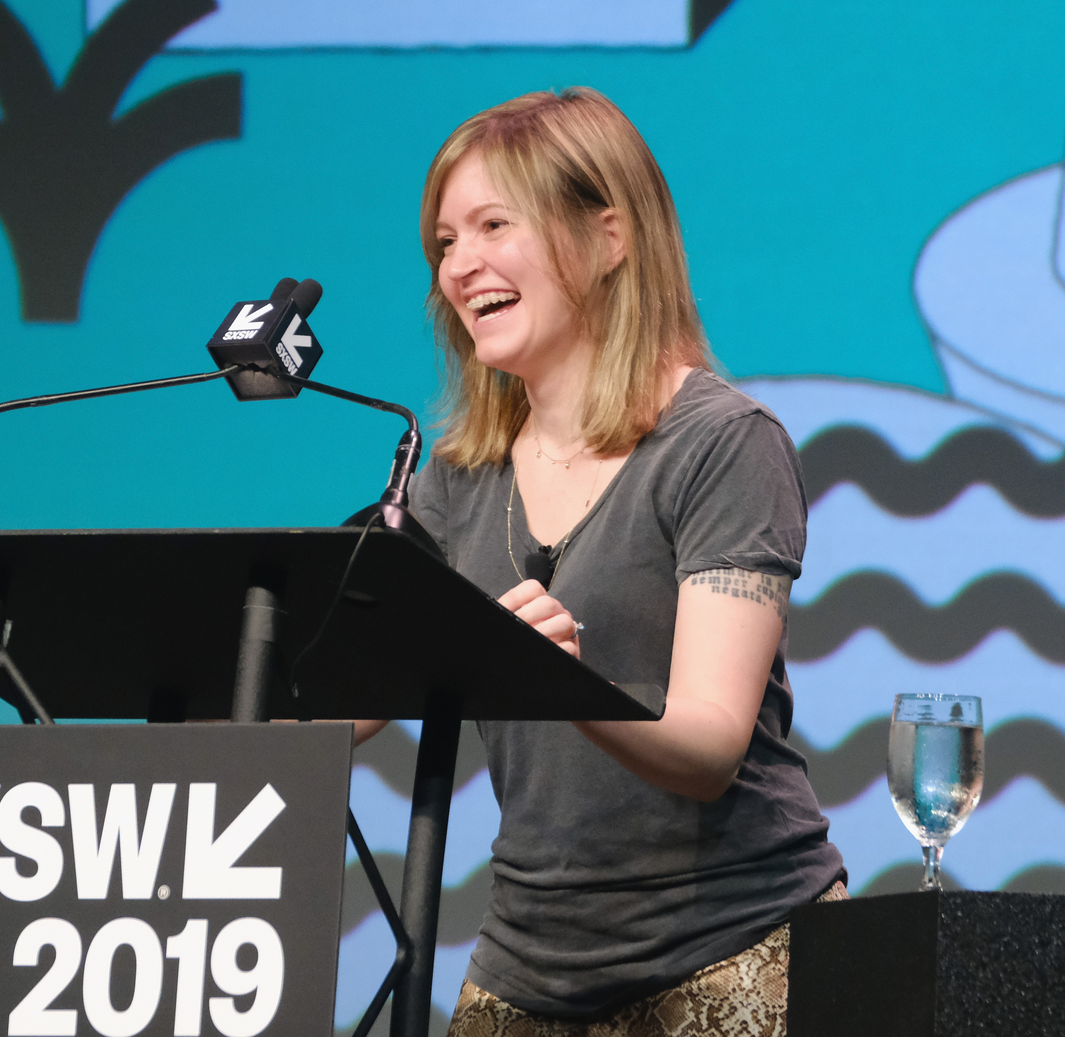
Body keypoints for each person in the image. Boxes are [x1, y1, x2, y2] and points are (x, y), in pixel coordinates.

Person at [358, 88, 847, 1037]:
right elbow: (350, 694)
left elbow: (710, 745)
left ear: (609, 235)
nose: (460, 266)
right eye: (444, 243)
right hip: (532, 959)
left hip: (733, 942)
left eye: (493, 225)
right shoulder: (455, 478)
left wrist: (558, 680)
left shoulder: (723, 444)